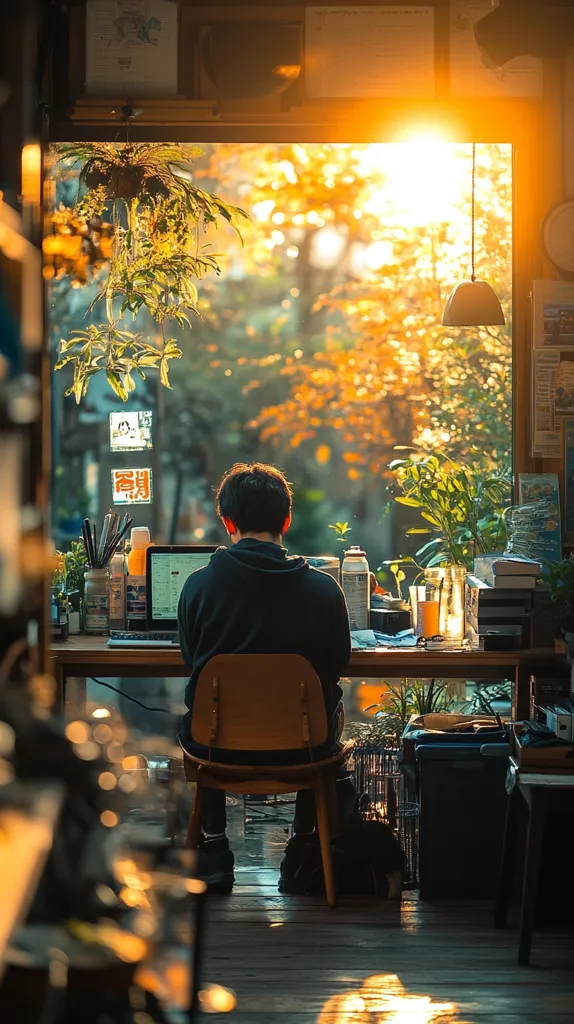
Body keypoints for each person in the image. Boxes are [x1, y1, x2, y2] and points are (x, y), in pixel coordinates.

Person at [178, 462, 354, 890]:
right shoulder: (323, 588)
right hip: (304, 752)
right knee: (324, 709)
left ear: (227, 522)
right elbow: (339, 662)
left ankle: (215, 850)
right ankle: (302, 852)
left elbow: (191, 660)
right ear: (287, 521)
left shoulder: (198, 587)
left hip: (218, 750)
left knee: (206, 710)